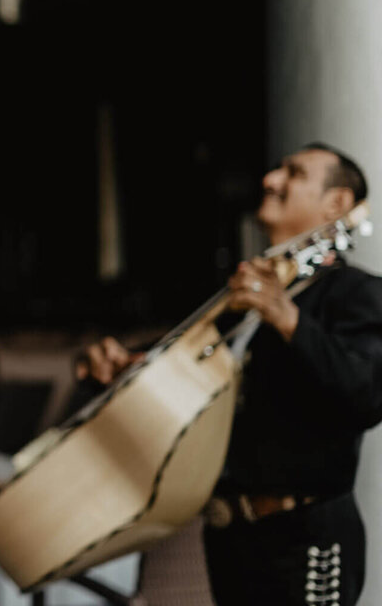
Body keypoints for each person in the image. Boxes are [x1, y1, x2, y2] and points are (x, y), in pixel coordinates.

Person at [77, 143, 382, 606]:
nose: (270, 179)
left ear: (336, 204)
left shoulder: (355, 293)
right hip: (231, 541)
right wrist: (123, 369)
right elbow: (202, 384)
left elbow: (366, 395)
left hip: (304, 541)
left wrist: (288, 318)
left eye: (293, 173)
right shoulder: (242, 302)